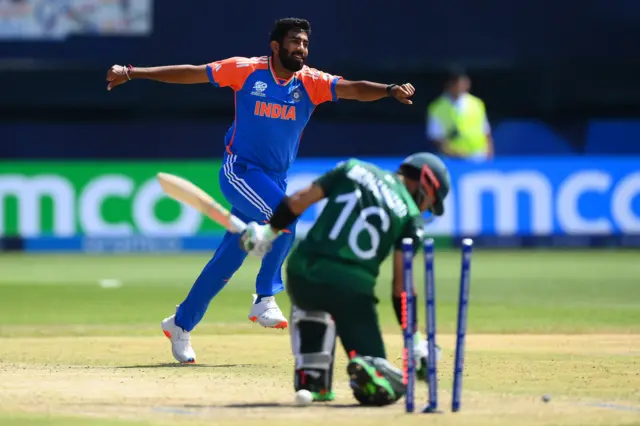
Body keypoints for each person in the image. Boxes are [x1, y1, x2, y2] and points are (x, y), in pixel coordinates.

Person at [105, 17, 416, 364]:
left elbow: (355, 88)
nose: (301, 48)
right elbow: (191, 72)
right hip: (240, 171)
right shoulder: (245, 70)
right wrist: (133, 72)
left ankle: (180, 323)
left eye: (305, 44)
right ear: (275, 46)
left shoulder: (310, 82)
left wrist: (388, 89)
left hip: (271, 181)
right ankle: (265, 295)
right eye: (295, 42)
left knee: (229, 258)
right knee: (287, 213)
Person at [240, 153, 451, 404]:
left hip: (303, 271)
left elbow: (298, 200)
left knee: (311, 297)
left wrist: (268, 231)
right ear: (425, 183)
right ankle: (366, 365)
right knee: (383, 383)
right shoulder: (411, 216)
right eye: (430, 202)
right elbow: (401, 288)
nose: (425, 209)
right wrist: (414, 340)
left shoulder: (353, 168)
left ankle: (313, 375)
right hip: (351, 290)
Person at [426, 68, 494, 161]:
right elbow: (436, 137)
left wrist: (489, 153)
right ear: (449, 85)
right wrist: (453, 152)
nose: (461, 86)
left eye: (463, 82)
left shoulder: (477, 103)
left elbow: (486, 131)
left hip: (478, 156)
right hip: (452, 159)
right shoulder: (437, 107)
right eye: (457, 83)